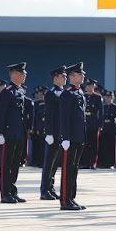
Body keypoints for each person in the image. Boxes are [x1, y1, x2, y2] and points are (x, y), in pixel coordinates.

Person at [0, 62, 29, 204]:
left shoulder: (20, 91)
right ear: (14, 75)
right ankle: (5, 193)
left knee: (15, 163)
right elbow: (0, 113)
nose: (24, 75)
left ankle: (12, 190)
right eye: (22, 73)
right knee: (6, 164)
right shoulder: (7, 92)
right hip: (8, 133)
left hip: (19, 132)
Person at [59, 62, 88, 210]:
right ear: (71, 76)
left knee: (74, 168)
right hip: (70, 138)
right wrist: (65, 138)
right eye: (80, 74)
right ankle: (65, 200)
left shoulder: (79, 92)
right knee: (67, 169)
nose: (83, 76)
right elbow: (64, 118)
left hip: (78, 136)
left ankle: (71, 197)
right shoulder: (67, 94)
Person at [39, 66, 66, 200]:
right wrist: (48, 133)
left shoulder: (64, 93)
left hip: (61, 133)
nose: (65, 78)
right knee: (49, 162)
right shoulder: (50, 94)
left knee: (55, 163)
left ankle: (51, 187)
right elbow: (49, 115)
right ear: (55, 78)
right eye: (62, 76)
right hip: (53, 133)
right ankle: (44, 189)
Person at [81, 79, 103, 169]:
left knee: (93, 144)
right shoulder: (83, 96)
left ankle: (93, 162)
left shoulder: (97, 97)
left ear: (94, 86)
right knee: (84, 143)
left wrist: (100, 125)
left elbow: (101, 112)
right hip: (84, 122)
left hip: (93, 123)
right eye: (88, 85)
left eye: (91, 85)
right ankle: (84, 162)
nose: (89, 87)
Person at [99, 90, 116, 169]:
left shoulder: (115, 107)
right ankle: (103, 162)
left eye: (110, 97)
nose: (108, 99)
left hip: (112, 128)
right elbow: (100, 117)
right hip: (104, 127)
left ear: (112, 98)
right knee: (103, 146)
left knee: (111, 146)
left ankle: (111, 162)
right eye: (107, 97)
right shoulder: (103, 106)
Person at [31, 85, 47, 167]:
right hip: (39, 127)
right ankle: (38, 161)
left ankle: (43, 162)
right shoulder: (36, 104)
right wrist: (35, 128)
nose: (41, 95)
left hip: (46, 127)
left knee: (44, 146)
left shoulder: (48, 104)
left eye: (42, 94)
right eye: (39, 93)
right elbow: (35, 117)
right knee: (38, 146)